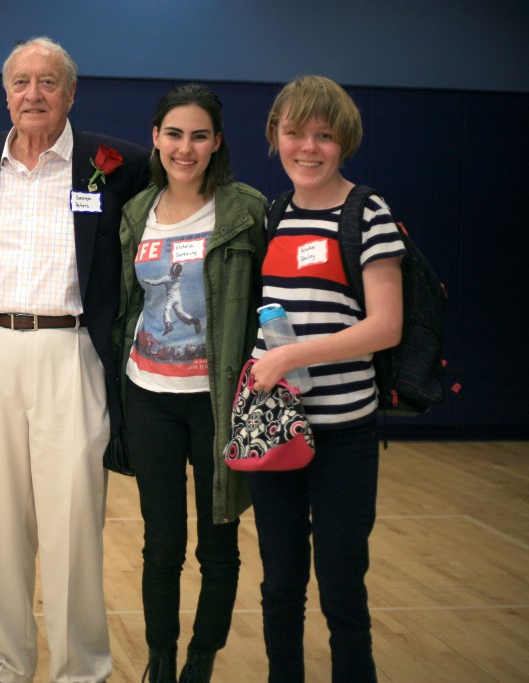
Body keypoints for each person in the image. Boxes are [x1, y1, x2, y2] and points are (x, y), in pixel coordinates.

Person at [0, 36, 150, 683]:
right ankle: (4, 663)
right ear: (5, 93)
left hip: (72, 350)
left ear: (70, 93)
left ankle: (79, 669)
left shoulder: (116, 164)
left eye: (47, 82)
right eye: (21, 83)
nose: (33, 94)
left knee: (73, 516)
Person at [246, 75, 405, 683]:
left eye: (324, 136)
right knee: (280, 586)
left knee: (341, 587)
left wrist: (290, 356)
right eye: (294, 134)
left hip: (343, 436)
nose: (307, 148)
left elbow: (385, 327)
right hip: (277, 433)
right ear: (275, 137)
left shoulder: (368, 213)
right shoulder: (274, 214)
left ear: (345, 143)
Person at [112, 84, 267, 683]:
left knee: (218, 541)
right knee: (162, 543)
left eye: (199, 135)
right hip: (148, 395)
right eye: (174, 134)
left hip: (217, 403)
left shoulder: (244, 210)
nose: (185, 147)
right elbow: (129, 307)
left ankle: (201, 660)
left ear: (217, 143)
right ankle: (161, 657)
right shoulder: (136, 212)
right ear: (155, 138)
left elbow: (263, 304)